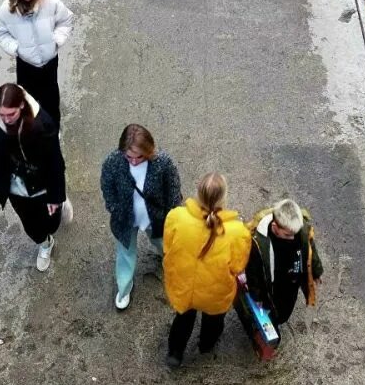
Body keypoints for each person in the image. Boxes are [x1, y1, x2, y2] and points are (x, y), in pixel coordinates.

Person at [0, 83, 72, 271]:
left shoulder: (42, 126)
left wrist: (56, 195)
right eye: (1, 114)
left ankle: (61, 202)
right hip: (17, 190)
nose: (5, 119)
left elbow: (55, 162)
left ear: (21, 106)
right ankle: (45, 244)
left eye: (10, 114)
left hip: (42, 186)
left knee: (51, 223)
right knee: (32, 227)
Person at [162, 172, 251, 367]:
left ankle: (175, 353)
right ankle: (206, 345)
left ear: (198, 193)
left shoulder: (176, 216)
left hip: (184, 286)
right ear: (223, 198)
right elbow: (238, 266)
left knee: (183, 319)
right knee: (213, 321)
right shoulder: (237, 232)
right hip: (215, 291)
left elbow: (167, 247)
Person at [100, 124, 182, 310]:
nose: (134, 162)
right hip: (125, 219)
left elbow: (173, 192)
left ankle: (172, 268)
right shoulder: (113, 162)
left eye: (139, 157)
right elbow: (107, 187)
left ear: (148, 150)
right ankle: (124, 287)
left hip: (157, 218)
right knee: (125, 254)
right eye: (129, 157)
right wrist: (113, 207)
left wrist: (172, 216)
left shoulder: (163, 163)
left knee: (165, 245)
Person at [0, 0, 74, 129]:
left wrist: (56, 40)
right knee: (27, 100)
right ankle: (31, 130)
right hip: (26, 64)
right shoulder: (6, 11)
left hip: (49, 62)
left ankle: (52, 129)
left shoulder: (49, 1)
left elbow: (66, 20)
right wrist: (17, 49)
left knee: (51, 99)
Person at [245, 199, 323, 331]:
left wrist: (316, 270)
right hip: (273, 287)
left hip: (292, 282)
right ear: (275, 227)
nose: (293, 238)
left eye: (295, 234)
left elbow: (310, 249)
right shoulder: (259, 244)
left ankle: (280, 318)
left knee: (286, 310)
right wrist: (256, 297)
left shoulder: (299, 229)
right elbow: (253, 273)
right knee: (273, 311)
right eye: (287, 235)